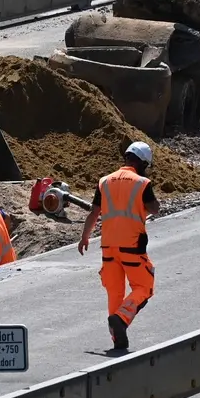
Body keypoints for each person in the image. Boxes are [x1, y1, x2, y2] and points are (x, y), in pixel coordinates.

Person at [79, 142, 160, 353]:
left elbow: (94, 213)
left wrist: (84, 237)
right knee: (145, 286)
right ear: (142, 163)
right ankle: (121, 319)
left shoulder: (104, 182)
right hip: (132, 246)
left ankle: (117, 338)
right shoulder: (142, 182)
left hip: (108, 249)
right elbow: (155, 208)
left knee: (115, 293)